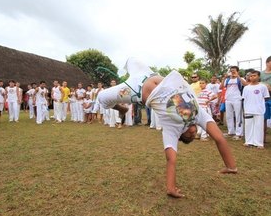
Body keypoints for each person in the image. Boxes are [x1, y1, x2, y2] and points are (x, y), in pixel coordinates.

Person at [98, 58, 237, 198]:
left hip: (135, 90)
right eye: (194, 135)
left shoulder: (172, 128)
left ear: (181, 135)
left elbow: (171, 159)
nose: (194, 132)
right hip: (149, 74)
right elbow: (219, 138)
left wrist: (171, 188)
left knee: (102, 97)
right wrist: (231, 166)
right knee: (131, 60)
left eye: (189, 136)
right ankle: (121, 109)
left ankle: (120, 108)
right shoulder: (198, 114)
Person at [243, 71, 270, 148]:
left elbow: (266, 97)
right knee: (248, 126)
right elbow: (244, 99)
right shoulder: (246, 88)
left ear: (258, 77)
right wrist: (245, 109)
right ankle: (248, 141)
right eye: (251, 76)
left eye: (254, 76)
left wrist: (258, 104)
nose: (252, 77)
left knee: (259, 126)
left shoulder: (262, 87)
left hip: (259, 110)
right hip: (248, 109)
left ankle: (259, 143)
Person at [220, 66, 247, 140]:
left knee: (238, 116)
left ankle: (239, 134)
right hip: (228, 99)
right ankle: (231, 132)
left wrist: (237, 76)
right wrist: (224, 78)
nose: (232, 72)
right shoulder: (228, 79)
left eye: (234, 71)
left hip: (237, 99)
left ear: (237, 71)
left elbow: (245, 84)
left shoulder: (240, 79)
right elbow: (221, 87)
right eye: (231, 71)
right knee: (229, 116)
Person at [260, 56, 271, 143]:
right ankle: (262, 139)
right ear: (267, 62)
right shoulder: (260, 74)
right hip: (264, 99)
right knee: (264, 118)